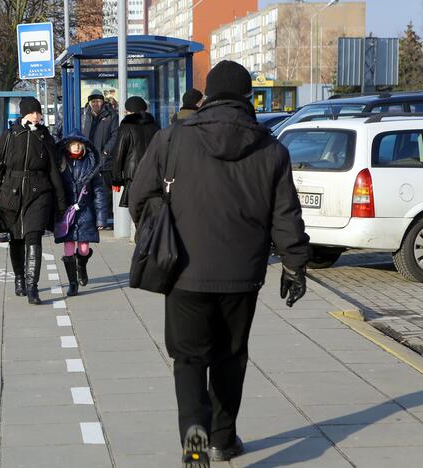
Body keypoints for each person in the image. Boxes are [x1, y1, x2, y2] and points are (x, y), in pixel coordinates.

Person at [127, 60, 310, 467]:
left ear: (207, 96)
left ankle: (194, 435)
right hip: (242, 275)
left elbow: (139, 196)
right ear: (249, 97)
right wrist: (296, 265)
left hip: (183, 271)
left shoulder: (172, 139)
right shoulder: (271, 148)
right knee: (231, 357)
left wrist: (161, 228)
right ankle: (222, 440)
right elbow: (286, 216)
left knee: (189, 359)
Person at [0, 97, 67, 305]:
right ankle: (19, 277)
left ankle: (32, 286)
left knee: (33, 236)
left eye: (39, 113)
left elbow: (54, 170)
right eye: (32, 113)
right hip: (11, 193)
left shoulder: (45, 136)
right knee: (16, 239)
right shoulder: (10, 135)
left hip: (39, 191)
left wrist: (61, 200)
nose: (36, 117)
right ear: (23, 114)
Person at [54, 131, 107, 296]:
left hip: (85, 211)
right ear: (68, 146)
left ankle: (81, 266)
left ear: (84, 145)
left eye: (79, 144)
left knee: (83, 248)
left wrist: (101, 218)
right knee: (68, 246)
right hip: (66, 212)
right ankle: (72, 282)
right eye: (73, 144)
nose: (76, 147)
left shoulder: (91, 164)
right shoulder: (61, 163)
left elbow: (99, 192)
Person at [111, 96, 161, 208]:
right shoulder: (155, 126)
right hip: (153, 176)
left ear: (130, 111)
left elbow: (119, 154)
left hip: (133, 176)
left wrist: (116, 180)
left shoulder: (126, 127)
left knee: (136, 210)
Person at [82, 90, 118, 229]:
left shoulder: (111, 115)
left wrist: (106, 150)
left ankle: (107, 219)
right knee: (88, 190)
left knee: (105, 191)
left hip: (104, 160)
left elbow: (115, 134)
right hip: (88, 159)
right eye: (93, 101)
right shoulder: (84, 115)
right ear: (89, 102)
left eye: (98, 101)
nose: (96, 104)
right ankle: (92, 218)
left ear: (103, 101)